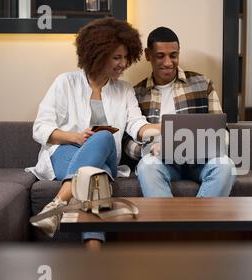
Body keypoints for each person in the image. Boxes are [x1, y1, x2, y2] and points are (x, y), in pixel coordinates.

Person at [27, 18, 159, 250]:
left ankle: (58, 203)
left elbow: (136, 124)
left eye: (126, 57)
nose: (123, 64)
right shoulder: (66, 82)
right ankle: (94, 254)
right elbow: (40, 128)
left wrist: (164, 128)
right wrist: (76, 137)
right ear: (97, 54)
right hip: (65, 153)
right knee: (94, 176)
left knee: (105, 136)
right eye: (117, 57)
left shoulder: (124, 90)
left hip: (105, 154)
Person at [124, 27, 236, 197]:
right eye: (160, 56)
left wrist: (200, 146)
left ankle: (199, 224)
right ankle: (169, 224)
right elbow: (127, 141)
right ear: (148, 55)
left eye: (173, 55)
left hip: (200, 161)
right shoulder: (136, 93)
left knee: (226, 166)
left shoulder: (202, 83)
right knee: (147, 166)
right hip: (162, 161)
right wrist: (148, 150)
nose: (168, 62)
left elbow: (223, 133)